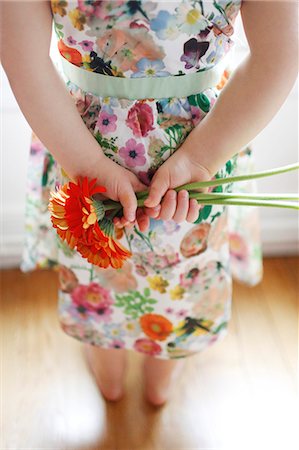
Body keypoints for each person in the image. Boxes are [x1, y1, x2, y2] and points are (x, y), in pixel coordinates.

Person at [1, 0, 297, 407]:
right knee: (159, 271)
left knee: (103, 267)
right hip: (188, 142)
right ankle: (155, 375)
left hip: (96, 138)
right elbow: (279, 54)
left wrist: (88, 162)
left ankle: (114, 369)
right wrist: (199, 158)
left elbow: (23, 57)